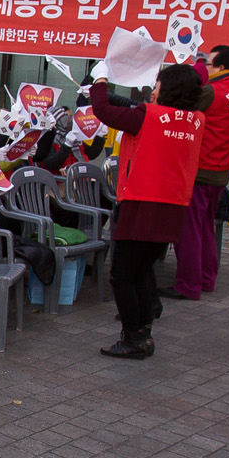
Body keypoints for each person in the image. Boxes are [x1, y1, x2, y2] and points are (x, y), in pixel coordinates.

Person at [89, 63, 207, 359]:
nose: (153, 90)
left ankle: (133, 337)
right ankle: (143, 332)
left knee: (122, 274)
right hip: (173, 205)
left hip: (142, 203)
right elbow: (135, 108)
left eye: (157, 85)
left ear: (169, 88)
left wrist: (100, 78)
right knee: (141, 271)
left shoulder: (147, 117)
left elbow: (103, 110)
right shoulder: (196, 120)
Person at [168, 45, 229, 301]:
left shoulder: (212, 91)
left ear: (222, 67)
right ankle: (206, 278)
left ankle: (188, 285)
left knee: (188, 230)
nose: (206, 68)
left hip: (198, 169)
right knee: (205, 227)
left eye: (209, 64)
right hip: (221, 170)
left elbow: (178, 105)